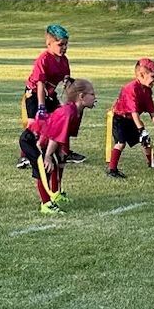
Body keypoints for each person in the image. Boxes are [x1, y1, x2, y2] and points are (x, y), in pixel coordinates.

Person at [18, 79, 97, 214]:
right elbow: (55, 135)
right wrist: (47, 156)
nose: (95, 98)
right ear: (82, 97)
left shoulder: (77, 111)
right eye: (92, 94)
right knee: (44, 168)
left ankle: (55, 194)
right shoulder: (68, 111)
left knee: (58, 163)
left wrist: (63, 151)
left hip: (45, 138)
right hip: (33, 138)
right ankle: (46, 204)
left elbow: (64, 133)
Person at [19, 24, 85, 168]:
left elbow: (66, 82)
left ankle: (64, 152)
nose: (64, 48)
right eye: (60, 44)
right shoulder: (43, 59)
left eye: (66, 44)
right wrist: (41, 107)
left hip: (49, 94)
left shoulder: (64, 60)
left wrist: (74, 99)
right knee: (34, 124)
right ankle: (24, 156)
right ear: (49, 44)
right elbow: (40, 85)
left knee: (63, 118)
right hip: (35, 93)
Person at [106, 58, 154, 179]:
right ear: (142, 75)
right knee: (121, 143)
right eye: (153, 76)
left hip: (131, 119)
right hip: (120, 117)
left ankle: (152, 161)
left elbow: (152, 110)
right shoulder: (131, 88)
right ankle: (112, 168)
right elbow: (134, 112)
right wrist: (141, 130)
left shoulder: (147, 89)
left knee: (146, 141)